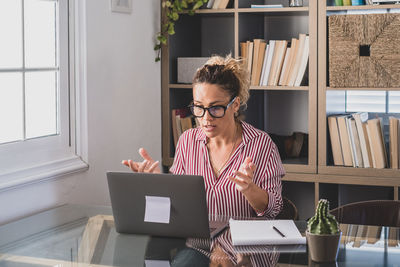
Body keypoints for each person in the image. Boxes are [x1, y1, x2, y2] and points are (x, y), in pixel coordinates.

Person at [122, 55, 285, 219]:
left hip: (239, 244)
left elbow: (275, 210)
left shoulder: (261, 144)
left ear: (235, 105)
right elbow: (178, 206)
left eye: (215, 108)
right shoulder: (187, 141)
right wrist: (158, 184)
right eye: (199, 107)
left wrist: (250, 189)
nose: (206, 118)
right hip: (194, 245)